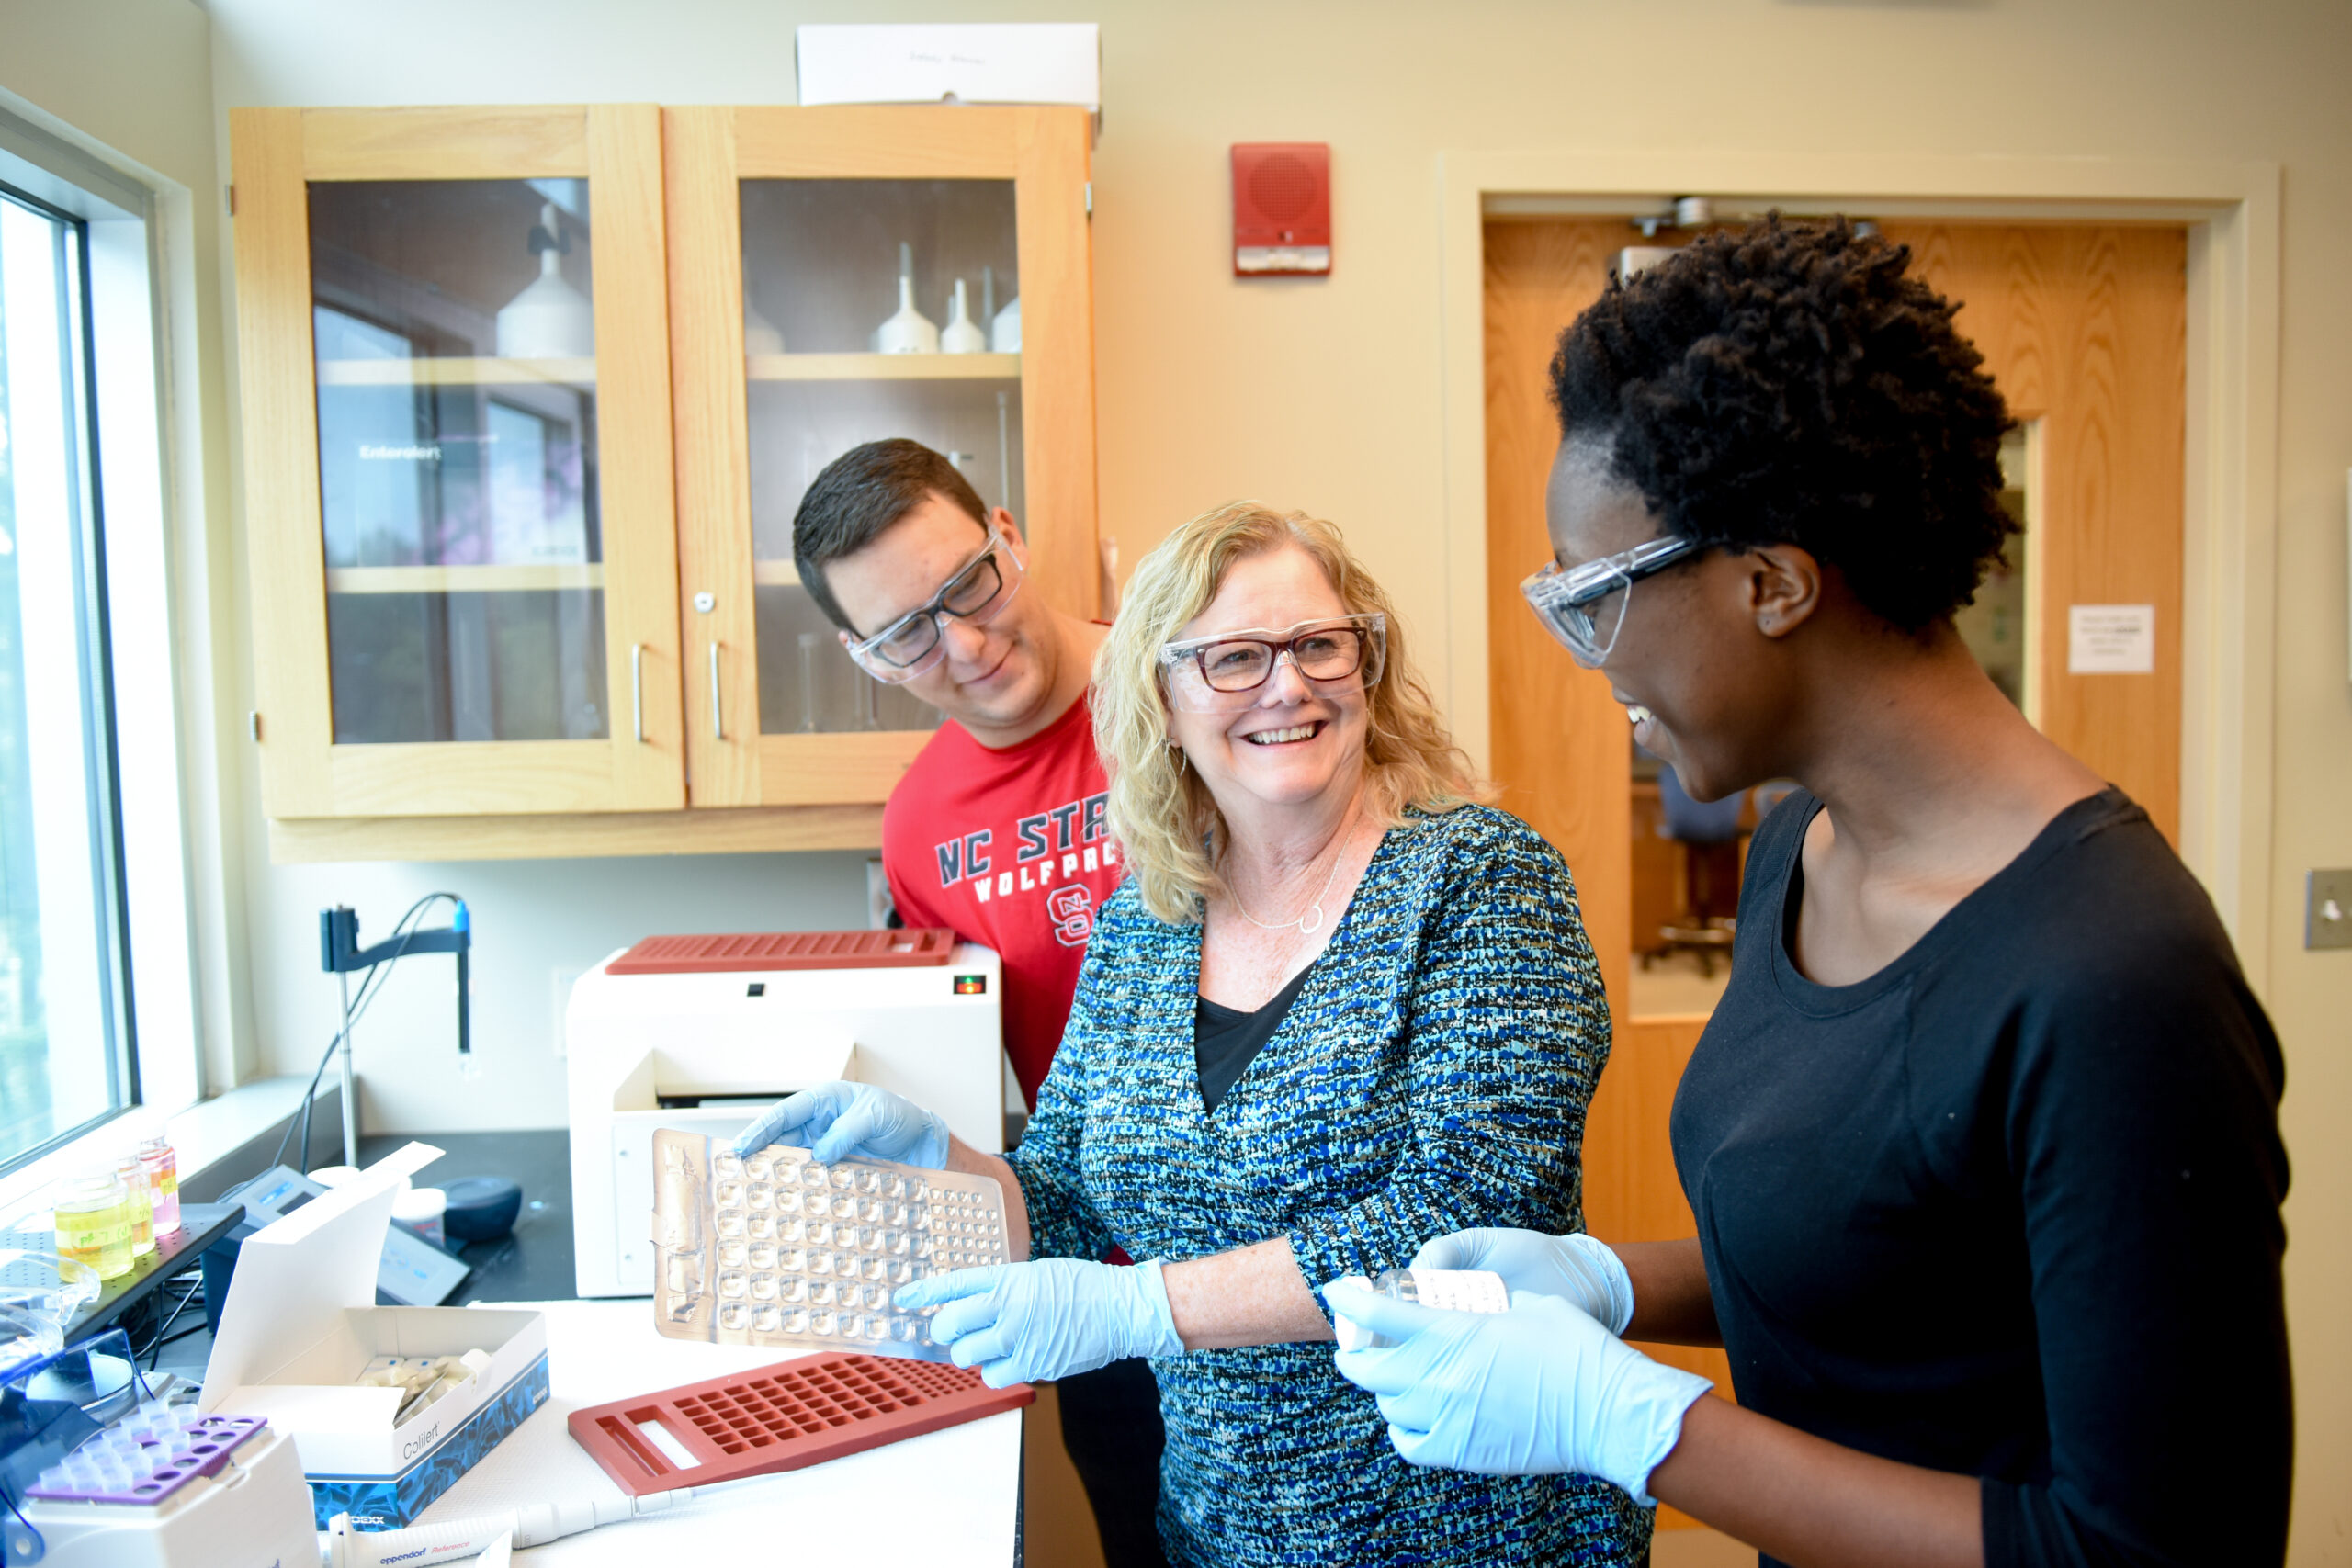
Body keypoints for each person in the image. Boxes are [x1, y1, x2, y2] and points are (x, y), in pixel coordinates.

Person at [1328, 218, 2292, 1568]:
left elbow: (2147, 1547)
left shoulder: (2116, 976)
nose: (1592, 662)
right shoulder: (1800, 845)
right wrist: (1611, 1280)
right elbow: (1886, 1265)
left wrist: (1646, 1429)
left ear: (1772, 582)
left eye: (1593, 599)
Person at [738, 502, 1650, 1566]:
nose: (1287, 684)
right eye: (1232, 659)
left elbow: (1476, 1223)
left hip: (1469, 1527)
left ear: (1367, 666)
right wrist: (946, 1165)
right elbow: (1073, 1199)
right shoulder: (1148, 917)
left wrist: (1142, 1308)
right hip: (1219, 1530)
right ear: (1162, 700)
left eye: (1319, 645)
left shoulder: (1482, 880)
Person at [790, 438, 1161, 1565]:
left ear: (1009, 534)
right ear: (867, 658)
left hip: (1291, 1239)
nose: (963, 640)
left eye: (968, 584)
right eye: (907, 632)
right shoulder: (917, 830)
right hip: (1099, 1280)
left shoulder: (1182, 688)